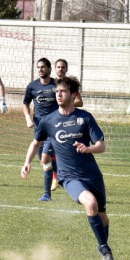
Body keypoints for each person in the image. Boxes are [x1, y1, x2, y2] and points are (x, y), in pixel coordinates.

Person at [21, 76, 114, 260]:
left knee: (103, 216)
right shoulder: (48, 120)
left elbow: (101, 146)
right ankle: (105, 249)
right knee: (91, 204)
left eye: (62, 91)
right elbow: (36, 142)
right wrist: (27, 161)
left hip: (92, 174)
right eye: (57, 92)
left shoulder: (85, 117)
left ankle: (102, 243)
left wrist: (88, 149)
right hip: (69, 177)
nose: (58, 95)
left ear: (74, 95)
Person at [22, 58, 58, 201]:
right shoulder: (32, 86)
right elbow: (25, 103)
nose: (40, 70)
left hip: (55, 127)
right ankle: (58, 175)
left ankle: (47, 194)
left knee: (45, 158)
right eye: (38, 67)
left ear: (49, 69)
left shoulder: (57, 85)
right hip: (39, 127)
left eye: (43, 67)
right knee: (44, 159)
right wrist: (27, 118)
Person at [48, 59, 83, 191]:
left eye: (63, 67)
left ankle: (58, 178)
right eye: (58, 67)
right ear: (54, 69)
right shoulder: (49, 84)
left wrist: (66, 103)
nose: (60, 69)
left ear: (66, 69)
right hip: (51, 122)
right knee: (46, 154)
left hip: (67, 120)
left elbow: (80, 102)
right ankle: (56, 177)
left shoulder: (70, 85)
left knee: (64, 149)